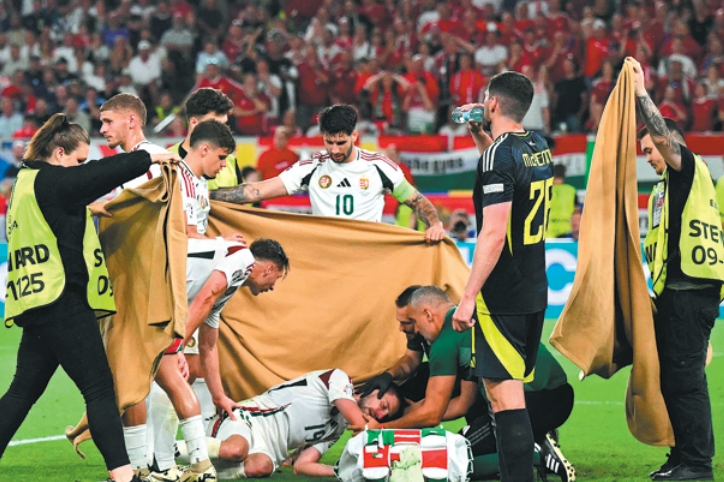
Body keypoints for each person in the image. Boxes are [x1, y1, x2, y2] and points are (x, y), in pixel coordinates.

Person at [0, 114, 178, 482]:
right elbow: (97, 175)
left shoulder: (25, 182)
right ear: (59, 153)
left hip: (34, 302)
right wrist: (147, 157)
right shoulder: (53, 180)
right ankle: (123, 475)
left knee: (22, 391)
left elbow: (53, 209)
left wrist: (84, 209)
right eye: (79, 160)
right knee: (99, 390)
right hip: (61, 299)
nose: (82, 167)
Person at [149, 120, 290, 482]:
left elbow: (210, 341)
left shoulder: (198, 185)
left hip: (177, 295)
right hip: (160, 288)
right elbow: (182, 247)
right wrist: (177, 344)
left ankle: (160, 462)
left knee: (172, 376)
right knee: (167, 376)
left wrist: (220, 395)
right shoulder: (178, 177)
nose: (224, 165)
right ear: (204, 149)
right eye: (223, 157)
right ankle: (162, 463)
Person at [354, 286, 575, 482]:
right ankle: (534, 436)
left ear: (428, 315)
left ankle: (536, 453)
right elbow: (464, 403)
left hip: (530, 404)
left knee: (455, 453)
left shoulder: (445, 341)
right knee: (469, 428)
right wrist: (413, 411)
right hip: (557, 395)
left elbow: (432, 414)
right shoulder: (470, 318)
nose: (415, 330)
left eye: (413, 322)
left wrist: (381, 430)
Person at [451, 71, 554, 482]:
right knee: (511, 395)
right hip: (534, 287)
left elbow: (493, 233)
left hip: (503, 294)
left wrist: (467, 297)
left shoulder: (500, 155)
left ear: (492, 103)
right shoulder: (537, 145)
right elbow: (508, 175)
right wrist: (482, 138)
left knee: (504, 399)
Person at [631, 57, 721, 482]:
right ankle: (681, 455)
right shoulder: (663, 191)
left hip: (691, 292)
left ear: (667, 144)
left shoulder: (688, 170)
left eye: (649, 150)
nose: (648, 158)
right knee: (672, 379)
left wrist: (640, 93)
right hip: (675, 292)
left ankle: (698, 464)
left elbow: (665, 139)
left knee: (685, 381)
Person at [210, 104, 446, 243]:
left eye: (341, 142)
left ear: (354, 136)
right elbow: (256, 191)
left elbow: (417, 201)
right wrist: (206, 195)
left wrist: (434, 223)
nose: (334, 150)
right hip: (326, 251)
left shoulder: (379, 166)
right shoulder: (312, 167)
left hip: (368, 251)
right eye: (329, 142)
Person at [177, 369, 404, 479]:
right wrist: (375, 434)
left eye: (384, 415)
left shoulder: (337, 428)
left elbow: (302, 464)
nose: (379, 414)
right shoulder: (339, 378)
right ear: (374, 389)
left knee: (261, 467)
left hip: (269, 451)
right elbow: (358, 421)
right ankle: (165, 454)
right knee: (235, 450)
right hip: (248, 419)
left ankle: (192, 473)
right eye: (383, 405)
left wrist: (342, 472)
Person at [168, 87, 241, 190]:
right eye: (214, 125)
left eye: (224, 125)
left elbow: (241, 198)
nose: (222, 131)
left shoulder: (230, 161)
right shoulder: (165, 161)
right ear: (194, 122)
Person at [547, 164, 578, 238]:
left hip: (548, 232)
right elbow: (576, 211)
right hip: (566, 231)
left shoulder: (545, 190)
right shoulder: (571, 190)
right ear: (564, 175)